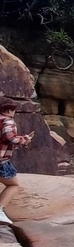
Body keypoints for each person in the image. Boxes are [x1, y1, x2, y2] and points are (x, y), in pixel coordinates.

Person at [0, 97, 34, 226]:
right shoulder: (7, 120)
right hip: (1, 160)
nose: (14, 112)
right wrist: (24, 139)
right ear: (8, 109)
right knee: (13, 184)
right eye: (13, 110)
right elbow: (9, 138)